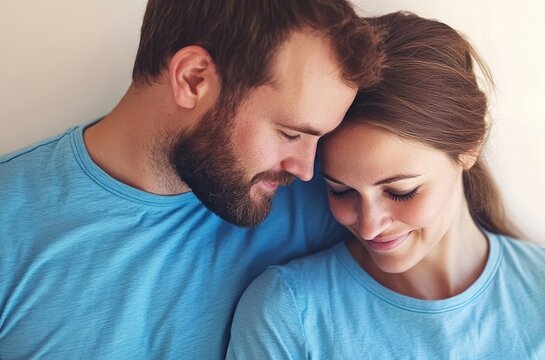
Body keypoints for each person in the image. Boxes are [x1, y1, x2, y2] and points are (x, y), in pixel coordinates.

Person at [228, 11, 545, 359]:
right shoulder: (287, 313)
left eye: (401, 191)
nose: (370, 225)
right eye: (342, 191)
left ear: (468, 148)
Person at [0, 0, 383, 358]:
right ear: (193, 78)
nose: (305, 169)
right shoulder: (10, 221)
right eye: (290, 134)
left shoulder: (338, 205)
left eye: (320, 138)